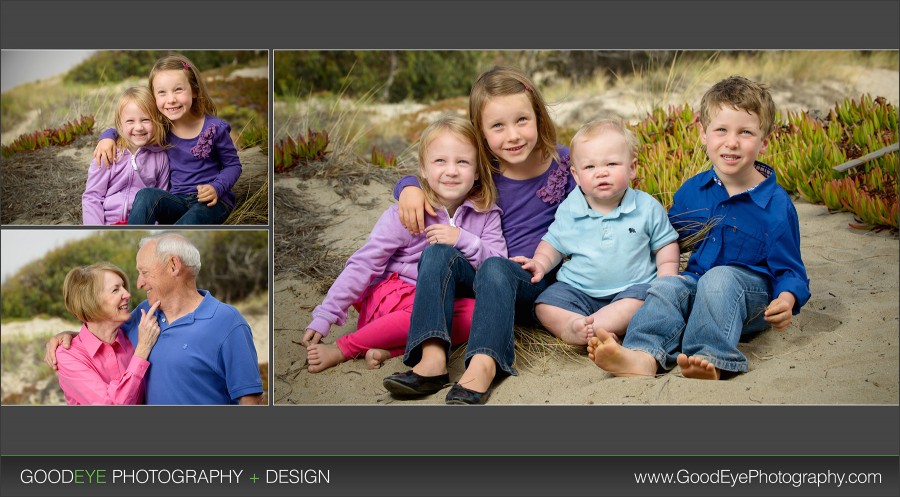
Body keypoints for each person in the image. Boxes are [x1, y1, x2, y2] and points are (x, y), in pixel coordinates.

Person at [588, 75, 811, 380]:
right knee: (668, 286)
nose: (731, 142)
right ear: (703, 134)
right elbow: (666, 238)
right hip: (698, 285)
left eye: (745, 132)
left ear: (765, 140)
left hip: (750, 301)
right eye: (721, 130)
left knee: (720, 278)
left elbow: (791, 271)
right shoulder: (694, 191)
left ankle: (711, 356)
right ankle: (642, 355)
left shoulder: (775, 205)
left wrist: (786, 301)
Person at [383, 66, 577, 404]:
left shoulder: (563, 164)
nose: (512, 136)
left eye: (522, 120)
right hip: (478, 273)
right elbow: (435, 172)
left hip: (532, 281)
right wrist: (409, 188)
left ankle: (486, 363)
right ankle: (431, 359)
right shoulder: (483, 166)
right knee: (438, 252)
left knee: (496, 267)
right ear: (481, 131)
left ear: (538, 117)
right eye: (497, 126)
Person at [303, 115, 506, 373]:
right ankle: (345, 348)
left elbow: (497, 264)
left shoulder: (486, 214)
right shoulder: (406, 213)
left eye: (463, 162)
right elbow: (364, 264)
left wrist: (464, 240)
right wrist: (325, 315)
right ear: (423, 168)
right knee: (423, 310)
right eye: (440, 161)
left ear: (477, 171)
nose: (452, 170)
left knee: (479, 314)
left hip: (444, 302)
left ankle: (393, 349)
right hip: (395, 297)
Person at [512, 119, 680, 346]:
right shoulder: (570, 208)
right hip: (579, 290)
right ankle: (576, 327)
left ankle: (595, 328)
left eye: (611, 164)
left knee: (644, 300)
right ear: (576, 175)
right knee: (544, 306)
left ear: (632, 168)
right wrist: (540, 263)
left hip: (631, 289)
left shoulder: (646, 207)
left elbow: (665, 246)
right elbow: (553, 243)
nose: (601, 173)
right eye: (590, 167)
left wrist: (666, 277)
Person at [46, 233, 264, 404]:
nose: (137, 285)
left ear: (173, 265)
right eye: (116, 290)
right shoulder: (142, 318)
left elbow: (251, 399)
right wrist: (68, 337)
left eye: (144, 272)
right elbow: (97, 331)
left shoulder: (227, 322)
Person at [93, 53, 242, 225]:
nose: (171, 99)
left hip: (212, 202)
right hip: (177, 200)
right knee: (146, 195)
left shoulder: (215, 128)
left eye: (178, 90)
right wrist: (107, 137)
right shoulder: (160, 127)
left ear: (194, 90)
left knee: (191, 220)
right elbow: (130, 130)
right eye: (162, 93)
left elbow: (233, 165)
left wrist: (217, 187)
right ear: (154, 98)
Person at [57, 262, 161, 404]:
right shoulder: (68, 356)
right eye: (115, 290)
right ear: (91, 302)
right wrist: (142, 349)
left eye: (123, 286)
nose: (127, 294)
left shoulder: (136, 332)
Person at [82, 87, 170, 225]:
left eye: (146, 120)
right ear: (119, 123)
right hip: (109, 223)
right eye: (130, 121)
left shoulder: (160, 157)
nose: (139, 127)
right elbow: (92, 197)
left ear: (156, 120)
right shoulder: (107, 152)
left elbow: (160, 200)